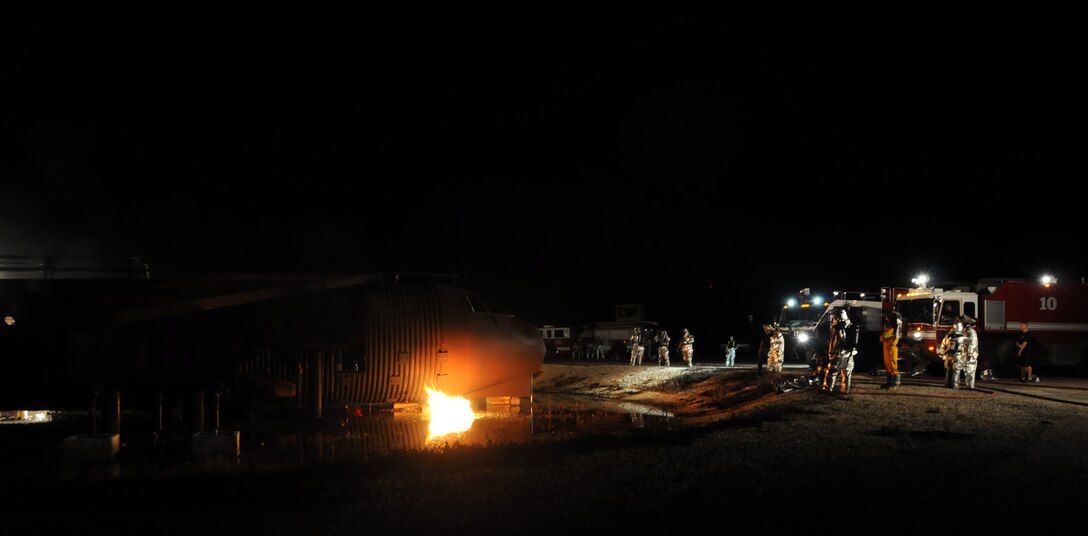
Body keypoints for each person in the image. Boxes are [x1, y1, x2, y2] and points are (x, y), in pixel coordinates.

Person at [822, 309, 856, 395]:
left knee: (832, 372)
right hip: (848, 354)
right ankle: (845, 391)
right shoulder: (850, 327)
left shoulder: (836, 328)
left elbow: (833, 342)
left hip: (838, 354)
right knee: (847, 373)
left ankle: (828, 389)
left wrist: (830, 353)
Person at [939, 319, 967, 389]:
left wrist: (943, 354)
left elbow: (943, 346)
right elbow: (965, 347)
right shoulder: (961, 337)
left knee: (949, 370)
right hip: (957, 355)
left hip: (949, 355)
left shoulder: (948, 336)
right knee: (956, 371)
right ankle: (955, 385)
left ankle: (947, 384)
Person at [879, 311, 902, 389]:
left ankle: (895, 384)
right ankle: (889, 383)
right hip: (887, 349)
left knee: (893, 366)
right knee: (888, 366)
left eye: (888, 317)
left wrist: (883, 337)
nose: (886, 318)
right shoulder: (891, 327)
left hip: (891, 349)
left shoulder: (892, 328)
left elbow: (883, 337)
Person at [961, 315, 979, 389]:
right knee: (966, 369)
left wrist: (969, 353)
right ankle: (968, 385)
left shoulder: (972, 332)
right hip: (966, 353)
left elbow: (972, 344)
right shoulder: (966, 331)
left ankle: (971, 386)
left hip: (971, 354)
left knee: (970, 369)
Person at [767, 326, 785, 393]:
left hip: (777, 359)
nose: (773, 332)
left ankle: (779, 388)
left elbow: (781, 350)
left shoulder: (780, 339)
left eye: (775, 331)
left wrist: (779, 359)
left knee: (777, 373)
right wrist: (769, 356)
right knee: (771, 372)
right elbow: (771, 348)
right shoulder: (773, 338)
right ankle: (775, 387)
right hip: (772, 358)